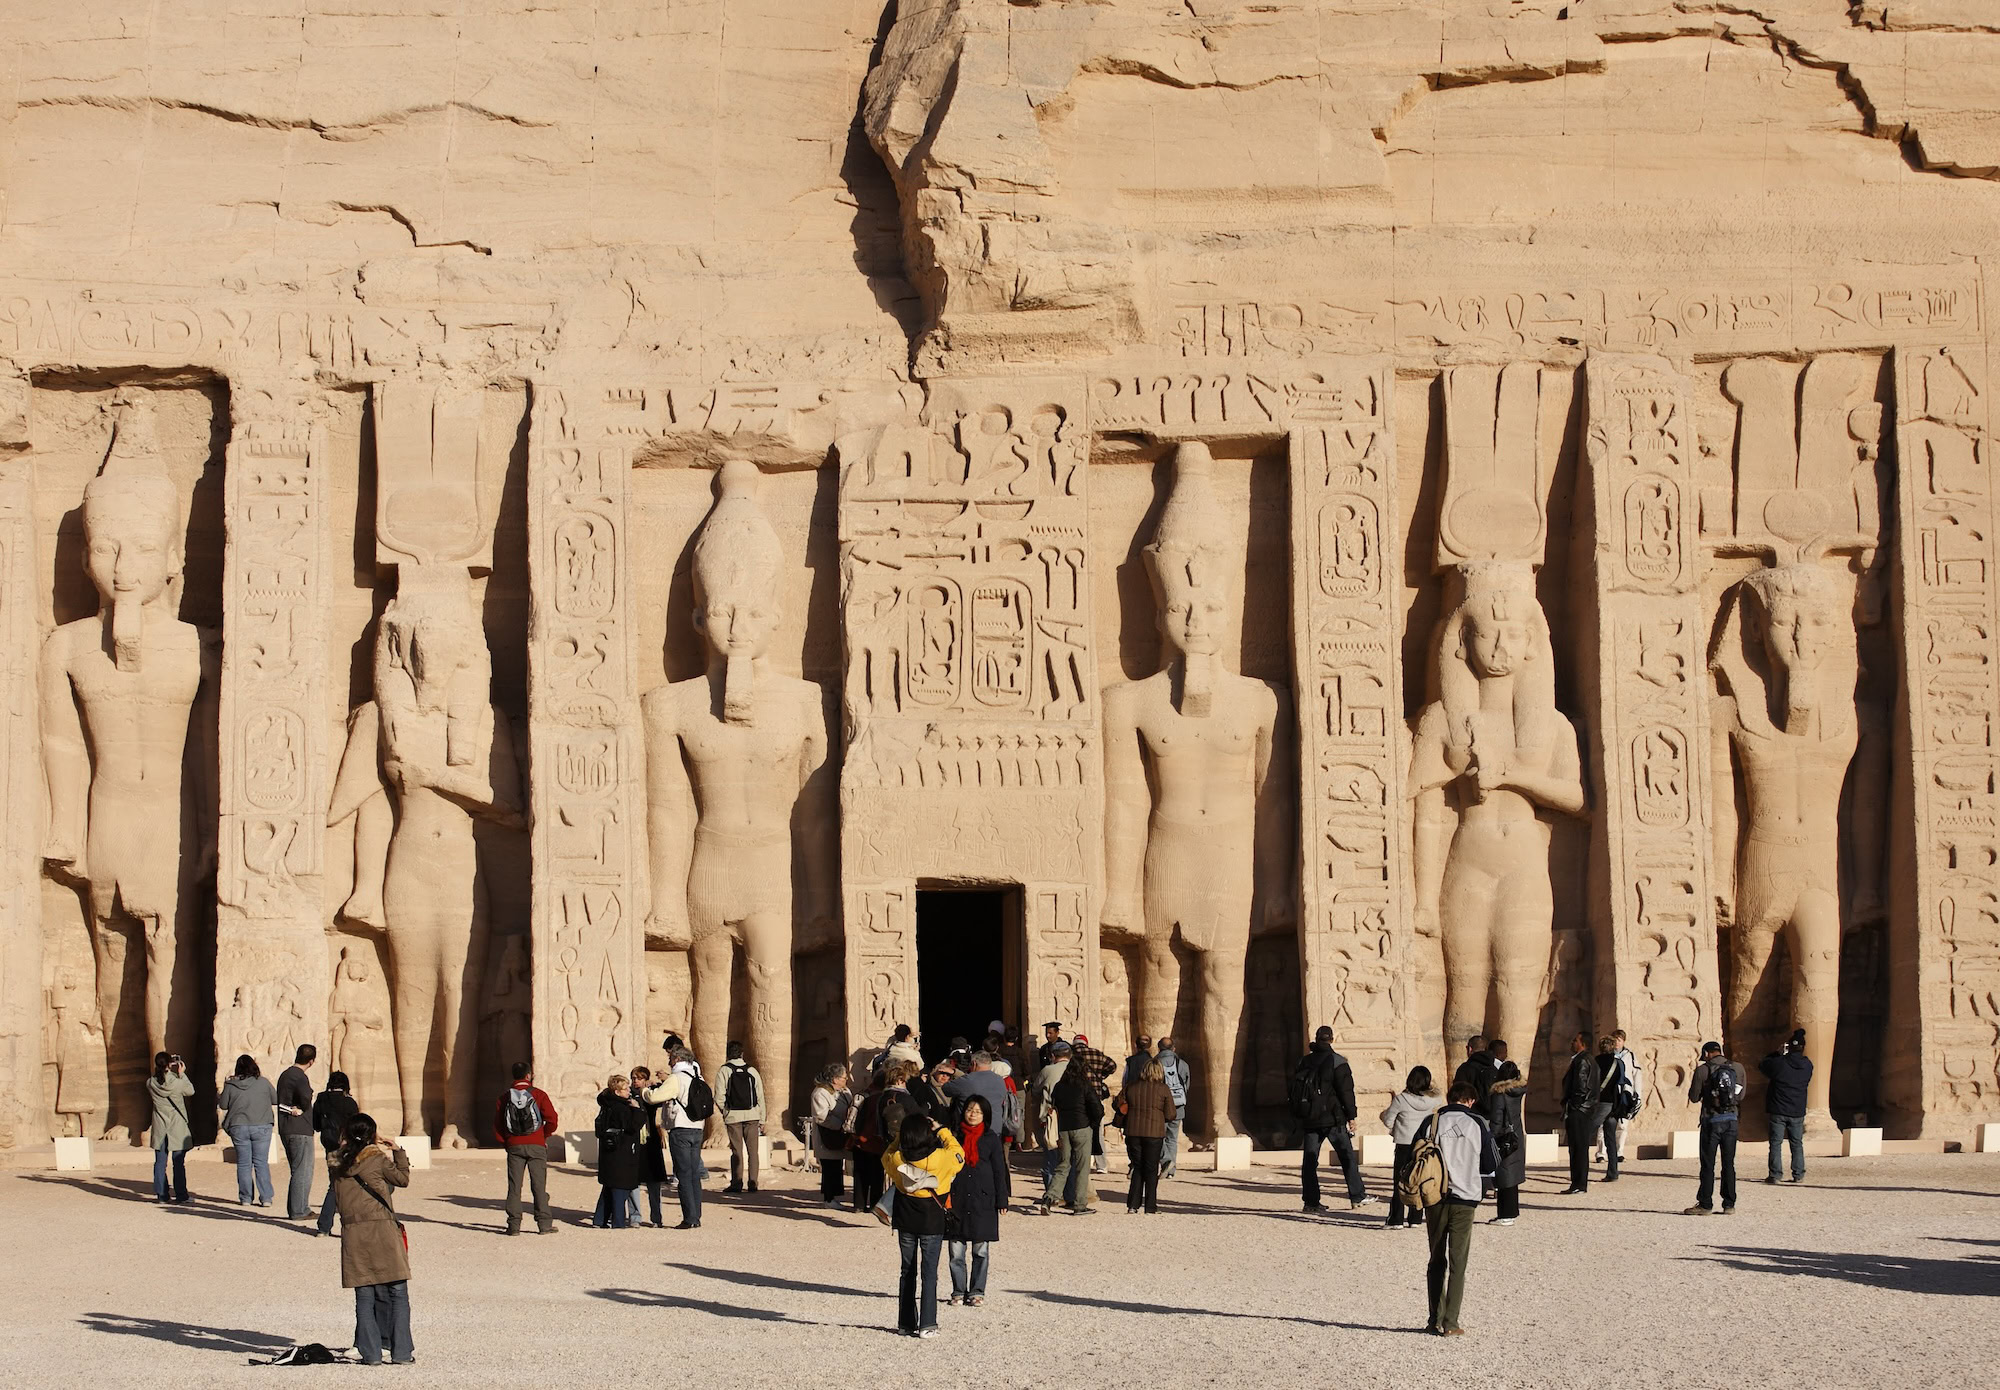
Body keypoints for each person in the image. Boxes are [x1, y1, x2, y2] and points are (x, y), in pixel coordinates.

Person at [329, 1114, 414, 1366]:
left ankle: (371, 1354)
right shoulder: (376, 1158)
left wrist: (355, 1140)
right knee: (397, 1291)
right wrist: (396, 1149)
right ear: (371, 1135)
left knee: (364, 1294)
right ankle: (401, 1353)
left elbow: (340, 1154)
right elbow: (403, 1179)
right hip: (382, 1229)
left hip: (353, 1232)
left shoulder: (334, 1162)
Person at [1415, 1081, 1496, 1337]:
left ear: (1450, 1098)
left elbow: (1415, 1155)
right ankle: (1451, 1322)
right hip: (1465, 1197)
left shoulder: (1432, 1122)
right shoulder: (1478, 1123)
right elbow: (1490, 1161)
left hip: (1435, 1196)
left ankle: (1433, 1319)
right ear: (1470, 1101)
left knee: (1436, 1258)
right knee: (1458, 1262)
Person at [885, 1112, 964, 1337]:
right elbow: (959, 1153)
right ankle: (928, 1324)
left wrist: (899, 1137)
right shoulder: (942, 1158)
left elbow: (886, 1156)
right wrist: (941, 1130)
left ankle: (905, 1323)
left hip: (906, 1218)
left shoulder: (898, 1160)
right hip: (932, 1220)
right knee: (929, 1273)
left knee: (907, 1271)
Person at [1293, 1026, 1371, 1212]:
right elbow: (1346, 1092)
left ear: (1316, 1038)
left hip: (1310, 1118)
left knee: (1310, 1161)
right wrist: (1351, 1116)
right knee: (1347, 1157)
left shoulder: (1305, 1061)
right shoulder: (1338, 1061)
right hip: (1332, 1118)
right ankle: (1357, 1196)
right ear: (1332, 1039)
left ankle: (1311, 1202)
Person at [946, 1096, 1009, 1305]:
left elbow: (1000, 1170)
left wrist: (1002, 1199)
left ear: (985, 1115)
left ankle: (977, 1291)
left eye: (978, 1111)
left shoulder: (991, 1138)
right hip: (958, 1197)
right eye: (970, 1110)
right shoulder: (954, 1136)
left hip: (983, 1199)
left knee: (980, 1250)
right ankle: (958, 1290)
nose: (973, 1114)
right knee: (956, 1251)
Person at [1027, 1041, 1098, 1215]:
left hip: (1063, 1128)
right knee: (1081, 1167)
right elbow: (1096, 1107)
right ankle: (1079, 1204)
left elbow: (1046, 1098)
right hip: (1081, 1126)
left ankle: (1049, 1198)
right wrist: (1093, 1121)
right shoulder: (1083, 1084)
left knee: (1062, 1164)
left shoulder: (1057, 1084)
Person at [493, 1062, 558, 1236]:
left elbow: (498, 1125)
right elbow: (552, 1119)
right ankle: (544, 1225)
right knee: (539, 1185)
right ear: (529, 1075)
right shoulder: (539, 1094)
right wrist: (544, 1136)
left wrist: (506, 1142)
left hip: (514, 1145)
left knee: (514, 1186)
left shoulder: (505, 1097)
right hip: (536, 1144)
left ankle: (514, 1226)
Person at [647, 1046, 709, 1229]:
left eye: (670, 1058)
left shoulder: (677, 1078)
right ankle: (696, 1215)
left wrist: (645, 1092)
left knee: (683, 1175)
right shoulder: (698, 1076)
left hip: (681, 1129)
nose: (668, 1062)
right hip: (697, 1128)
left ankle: (689, 1219)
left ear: (676, 1059)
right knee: (693, 1175)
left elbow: (655, 1097)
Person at [1686, 1040, 1745, 1216]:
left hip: (1711, 1121)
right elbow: (1741, 1095)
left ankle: (1705, 1204)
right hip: (1731, 1120)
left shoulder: (1703, 1070)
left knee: (1708, 1164)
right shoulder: (1738, 1068)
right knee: (1729, 1163)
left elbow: (1694, 1097)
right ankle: (1729, 1203)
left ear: (1706, 1054)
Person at [1379, 1065, 1441, 1230]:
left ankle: (1396, 1219)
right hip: (1423, 1143)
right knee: (1419, 1179)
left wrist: (1390, 1123)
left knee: (1400, 1181)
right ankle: (1415, 1218)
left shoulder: (1401, 1099)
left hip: (1404, 1143)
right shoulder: (1434, 1100)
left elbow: (1388, 1120)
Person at [1115, 1061, 1177, 1215]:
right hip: (1154, 1133)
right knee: (1150, 1169)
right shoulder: (1163, 1089)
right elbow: (1170, 1114)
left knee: (1137, 1167)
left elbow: (1117, 1103)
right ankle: (1150, 1206)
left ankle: (1133, 1205)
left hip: (1133, 1131)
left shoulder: (1131, 1086)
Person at [218, 1054, 277, 1208]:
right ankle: (266, 1197)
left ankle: (246, 1197)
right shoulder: (263, 1082)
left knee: (244, 1163)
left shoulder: (230, 1085)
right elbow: (275, 1099)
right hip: (262, 1125)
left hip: (239, 1126)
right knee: (261, 1162)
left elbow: (223, 1105)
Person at [1482, 1042, 1527, 1226]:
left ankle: (1505, 1215)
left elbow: (1497, 1118)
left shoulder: (1500, 1094)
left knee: (1504, 1176)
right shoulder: (1517, 1091)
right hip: (1516, 1134)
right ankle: (1512, 1212)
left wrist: (1489, 1137)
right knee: (1512, 1176)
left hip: (1504, 1137)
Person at [592, 1074, 645, 1228]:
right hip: (621, 1153)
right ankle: (618, 1222)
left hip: (609, 1152)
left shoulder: (605, 1106)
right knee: (619, 1189)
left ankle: (600, 1220)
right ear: (617, 1092)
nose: (629, 1091)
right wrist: (637, 1110)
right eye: (625, 1088)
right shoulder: (621, 1108)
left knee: (608, 1187)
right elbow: (633, 1126)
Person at [1760, 1029, 1812, 1185]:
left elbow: (1763, 1065)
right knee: (1797, 1143)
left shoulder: (1779, 1063)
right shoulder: (1807, 1065)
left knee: (1775, 1143)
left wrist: (1777, 1053)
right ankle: (1798, 1174)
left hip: (1778, 1109)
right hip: (1797, 1109)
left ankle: (1775, 1174)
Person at [311, 1071, 359, 1236]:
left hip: (330, 1146)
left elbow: (316, 1124)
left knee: (334, 1185)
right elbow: (356, 1125)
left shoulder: (321, 1100)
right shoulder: (349, 1102)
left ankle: (323, 1227)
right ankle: (350, 1227)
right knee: (350, 1186)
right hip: (347, 1147)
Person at [276, 1044, 319, 1222]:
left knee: (297, 1169)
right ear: (312, 1061)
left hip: (287, 1127)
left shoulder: (285, 1075)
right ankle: (300, 1210)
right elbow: (306, 1100)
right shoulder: (300, 1077)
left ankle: (296, 1207)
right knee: (303, 1170)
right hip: (299, 1127)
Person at [718, 1041, 766, 1195]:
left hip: (733, 1116)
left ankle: (737, 1183)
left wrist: (726, 1111)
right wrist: (762, 1118)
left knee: (736, 1151)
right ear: (742, 1053)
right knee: (753, 1151)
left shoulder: (724, 1070)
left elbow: (719, 1096)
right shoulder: (752, 1071)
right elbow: (760, 1097)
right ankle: (753, 1183)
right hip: (752, 1115)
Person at [147, 1052, 193, 1204]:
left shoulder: (150, 1083)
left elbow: (159, 1080)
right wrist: (182, 1074)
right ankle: (181, 1195)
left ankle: (162, 1195)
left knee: (160, 1162)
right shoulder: (176, 1082)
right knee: (178, 1162)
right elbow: (190, 1091)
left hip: (160, 1126)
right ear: (169, 1064)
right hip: (176, 1125)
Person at [1557, 1033, 1600, 1195]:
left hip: (1580, 1110)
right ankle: (1578, 1182)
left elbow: (1580, 1088)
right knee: (1578, 1147)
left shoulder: (1582, 1060)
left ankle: (1579, 1183)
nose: (1572, 1042)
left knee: (1578, 1148)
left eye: (1575, 1040)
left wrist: (1574, 1106)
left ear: (1582, 1044)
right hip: (1584, 1109)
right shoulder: (1588, 1059)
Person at [1070, 1033, 1116, 1174]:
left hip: (1077, 1097)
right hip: (1095, 1097)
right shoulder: (1096, 1054)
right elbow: (1112, 1066)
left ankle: (1082, 1163)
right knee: (1098, 1132)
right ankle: (1101, 1165)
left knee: (1078, 1131)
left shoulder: (1072, 1055)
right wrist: (1101, 1075)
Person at [810, 1063, 854, 1209]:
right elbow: (821, 1116)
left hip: (840, 1135)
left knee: (836, 1165)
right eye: (843, 1077)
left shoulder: (844, 1091)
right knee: (829, 1167)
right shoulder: (820, 1093)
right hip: (828, 1135)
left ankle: (834, 1197)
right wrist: (841, 1125)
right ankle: (829, 1198)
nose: (846, 1079)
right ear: (835, 1079)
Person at [630, 1066, 667, 1226]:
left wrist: (657, 1083)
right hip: (634, 1141)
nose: (635, 1081)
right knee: (633, 1182)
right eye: (633, 1078)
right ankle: (634, 1217)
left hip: (650, 1141)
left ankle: (656, 1218)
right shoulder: (628, 1095)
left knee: (654, 1183)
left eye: (639, 1078)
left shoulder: (651, 1095)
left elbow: (665, 1092)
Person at [1594, 1036, 1628, 1182]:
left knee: (1584, 1133)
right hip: (1614, 1104)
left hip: (1600, 1102)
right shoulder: (1619, 1063)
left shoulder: (1596, 1061)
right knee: (1611, 1139)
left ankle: (1579, 1174)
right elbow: (1622, 1081)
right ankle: (1613, 1172)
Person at [1156, 1036, 1190, 1178]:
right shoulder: (1182, 1064)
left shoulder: (1154, 1063)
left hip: (1160, 1107)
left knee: (1158, 1137)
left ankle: (1166, 1161)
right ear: (1173, 1048)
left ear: (1159, 1048)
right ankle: (1171, 1170)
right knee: (1172, 1139)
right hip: (1178, 1106)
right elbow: (1186, 1085)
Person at [944, 1050, 1009, 1125]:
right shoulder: (1000, 1081)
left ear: (974, 1064)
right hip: (995, 1129)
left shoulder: (967, 1080)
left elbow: (946, 1089)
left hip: (970, 1130)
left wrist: (955, 1073)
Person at [1451, 1036, 1497, 1105]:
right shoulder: (1495, 1068)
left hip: (1470, 1113)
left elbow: (1458, 1095)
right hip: (1492, 1113)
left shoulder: (1465, 1068)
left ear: (1470, 1049)